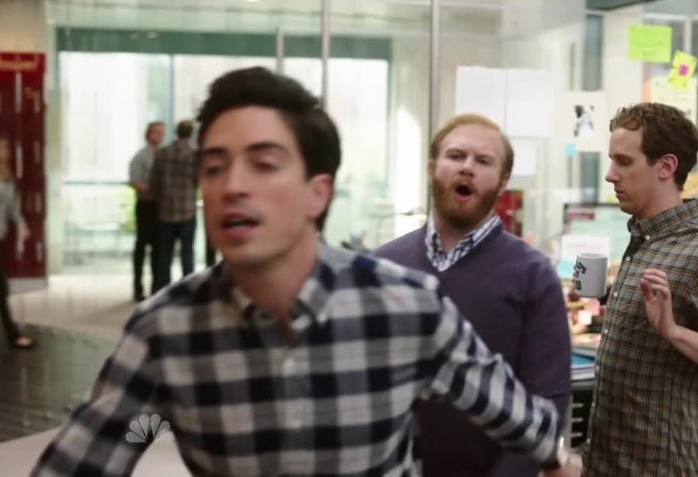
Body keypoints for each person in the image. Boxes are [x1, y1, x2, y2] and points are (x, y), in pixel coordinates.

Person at [32, 67, 581, 476]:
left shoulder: (404, 309)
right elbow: (112, 442)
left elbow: (521, 418)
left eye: (263, 164)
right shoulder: (168, 331)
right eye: (215, 167)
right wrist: (154, 420)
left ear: (318, 192)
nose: (232, 186)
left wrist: (556, 456)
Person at [375, 113, 571, 477]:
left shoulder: (533, 275)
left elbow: (549, 399)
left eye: (483, 161)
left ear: (502, 181)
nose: (467, 167)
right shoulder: (382, 267)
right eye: (455, 156)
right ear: (432, 168)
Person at [583, 103, 698, 476]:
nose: (610, 175)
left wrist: (673, 332)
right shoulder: (644, 241)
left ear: (665, 167)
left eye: (623, 162)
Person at [149, 120, 198, 293]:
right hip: (187, 211)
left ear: (176, 132)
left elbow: (154, 183)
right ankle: (189, 291)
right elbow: (198, 181)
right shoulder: (194, 155)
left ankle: (162, 292)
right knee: (187, 254)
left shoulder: (163, 153)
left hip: (165, 212)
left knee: (164, 255)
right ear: (191, 133)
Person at [0, 133, 33, 349]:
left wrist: (22, 225)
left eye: (7, 149)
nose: (7, 153)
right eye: (2, 149)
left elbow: (12, 207)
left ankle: (13, 335)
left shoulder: (7, 174)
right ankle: (13, 335)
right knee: (1, 286)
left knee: (1, 287)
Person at [129, 121, 165, 301]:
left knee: (159, 248)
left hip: (161, 206)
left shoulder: (165, 155)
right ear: (148, 134)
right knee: (141, 246)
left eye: (162, 132)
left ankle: (157, 288)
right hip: (145, 206)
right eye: (156, 132)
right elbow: (134, 182)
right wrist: (151, 189)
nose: (160, 136)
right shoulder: (140, 157)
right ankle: (138, 287)